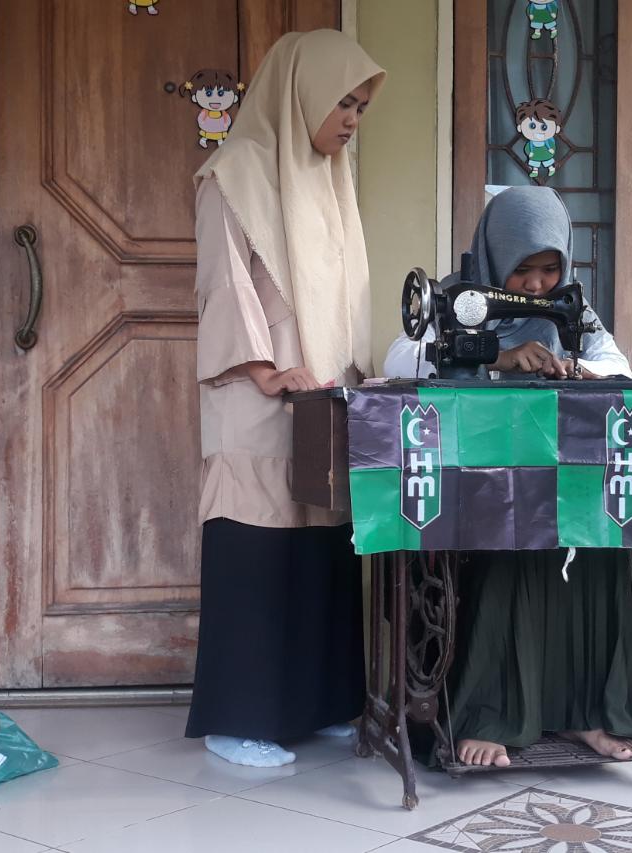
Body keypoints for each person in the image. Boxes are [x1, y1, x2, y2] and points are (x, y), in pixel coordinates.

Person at [383, 186, 632, 768]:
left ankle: (585, 713)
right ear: (496, 254)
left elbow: (619, 366)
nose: (536, 285)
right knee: (508, 542)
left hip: (553, 471)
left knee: (603, 545)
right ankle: (485, 715)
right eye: (523, 269)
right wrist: (493, 356)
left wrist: (579, 367)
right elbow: (397, 359)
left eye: (550, 269)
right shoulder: (456, 299)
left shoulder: (573, 309)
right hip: (474, 475)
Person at [184, 30, 387, 769]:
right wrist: (266, 371)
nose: (352, 119)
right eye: (343, 102)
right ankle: (236, 718)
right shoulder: (232, 172)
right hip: (257, 390)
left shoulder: (328, 178)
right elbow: (224, 283)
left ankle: (319, 702)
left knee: (320, 544)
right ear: (301, 93)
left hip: (322, 394)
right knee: (257, 547)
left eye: (360, 107)